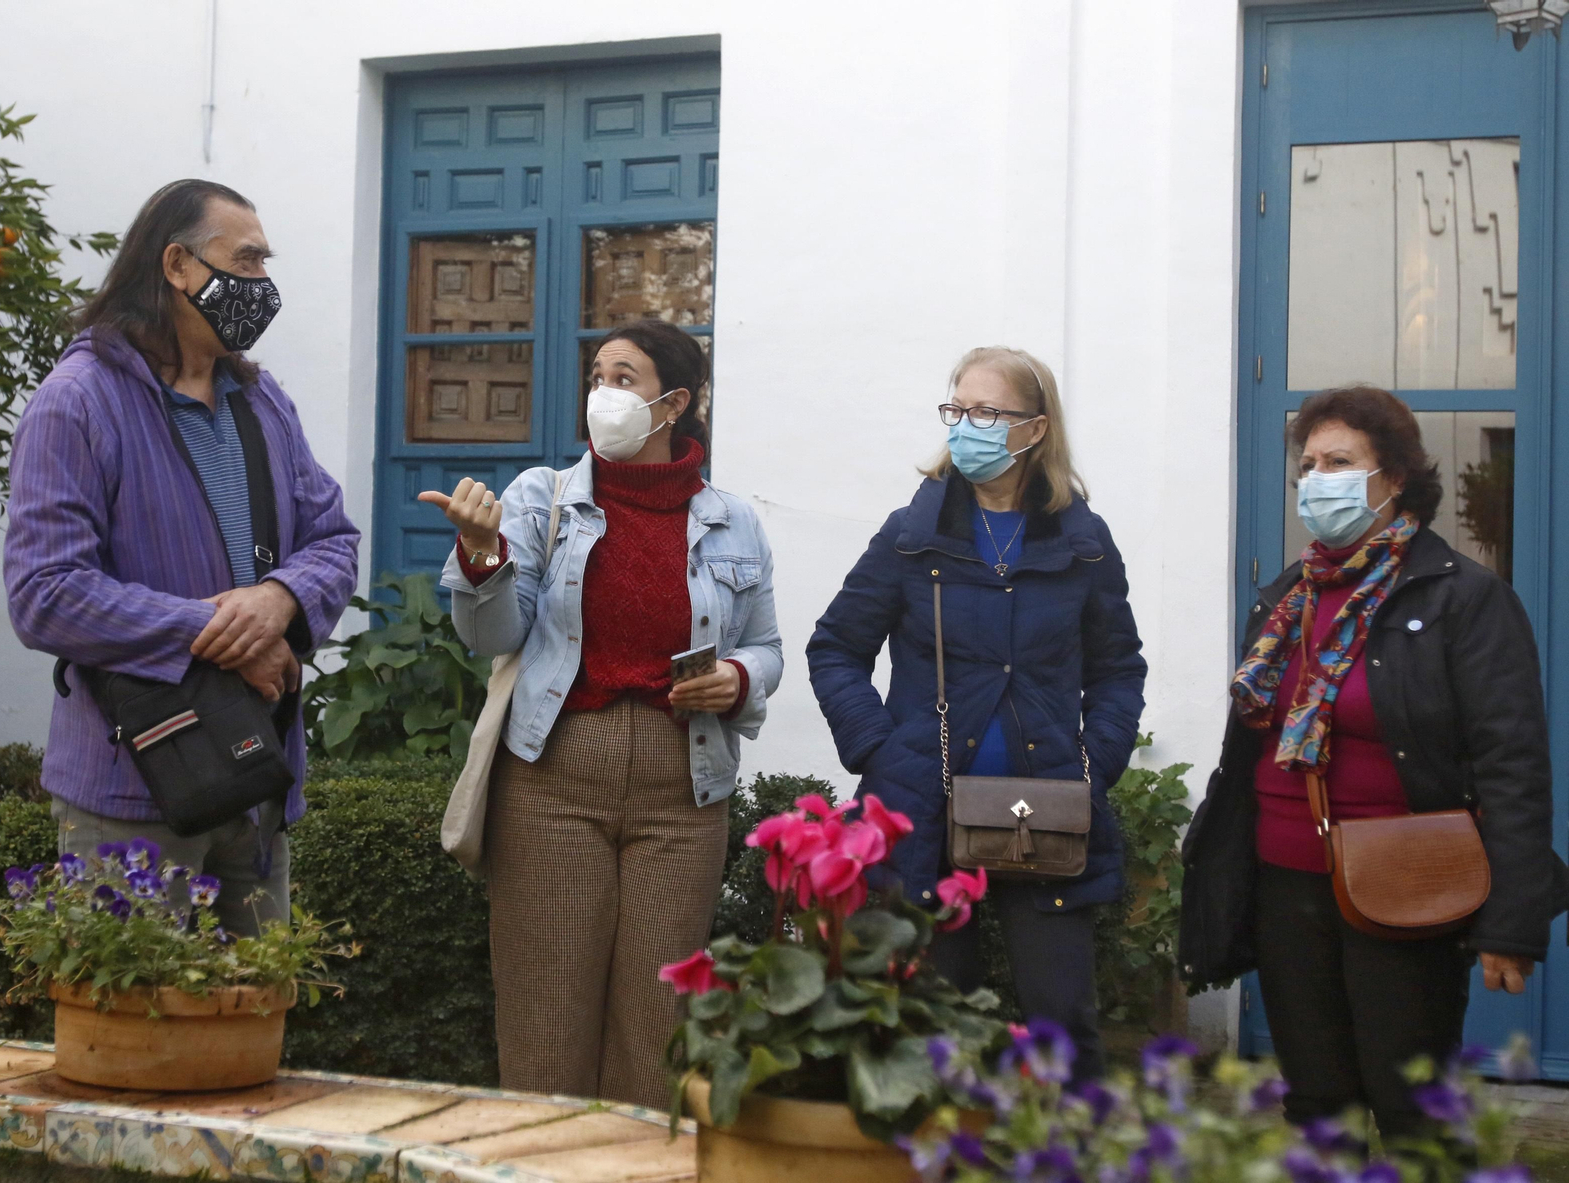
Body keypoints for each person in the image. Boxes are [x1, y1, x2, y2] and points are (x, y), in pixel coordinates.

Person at [1179, 385, 1569, 1136]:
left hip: (1406, 886)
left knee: (1413, 1109)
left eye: (1340, 462)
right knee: (1316, 1104)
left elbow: (1513, 765)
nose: (1317, 479)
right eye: (1309, 465)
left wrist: (1511, 923)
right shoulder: (1287, 598)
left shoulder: (1463, 598)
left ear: (1393, 477)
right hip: (1285, 882)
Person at [423, 318, 781, 1109]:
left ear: (674, 403)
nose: (602, 394)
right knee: (545, 1023)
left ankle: (635, 1162)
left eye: (625, 379)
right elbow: (492, 635)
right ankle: (542, 1162)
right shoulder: (540, 497)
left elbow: (766, 648)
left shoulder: (734, 520)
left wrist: (735, 678)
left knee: (657, 1030)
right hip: (552, 785)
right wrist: (481, 555)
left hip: (683, 796)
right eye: (598, 377)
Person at [3, 179, 359, 935]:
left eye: (264, 263)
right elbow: (45, 591)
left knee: (259, 1002)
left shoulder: (263, 402)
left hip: (256, 777)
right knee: (136, 1008)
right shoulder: (78, 401)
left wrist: (279, 600)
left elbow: (333, 538)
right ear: (176, 265)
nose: (261, 282)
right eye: (247, 260)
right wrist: (224, 637)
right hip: (133, 793)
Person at [806, 345, 1146, 1082]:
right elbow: (835, 648)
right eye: (957, 409)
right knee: (928, 1030)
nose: (967, 426)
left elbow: (1118, 669)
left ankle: (1066, 1145)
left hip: (1047, 812)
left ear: (1034, 428)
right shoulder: (911, 534)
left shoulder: (1083, 543)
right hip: (921, 817)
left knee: (1063, 1029)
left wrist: (1096, 764)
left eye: (987, 412)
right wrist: (880, 750)